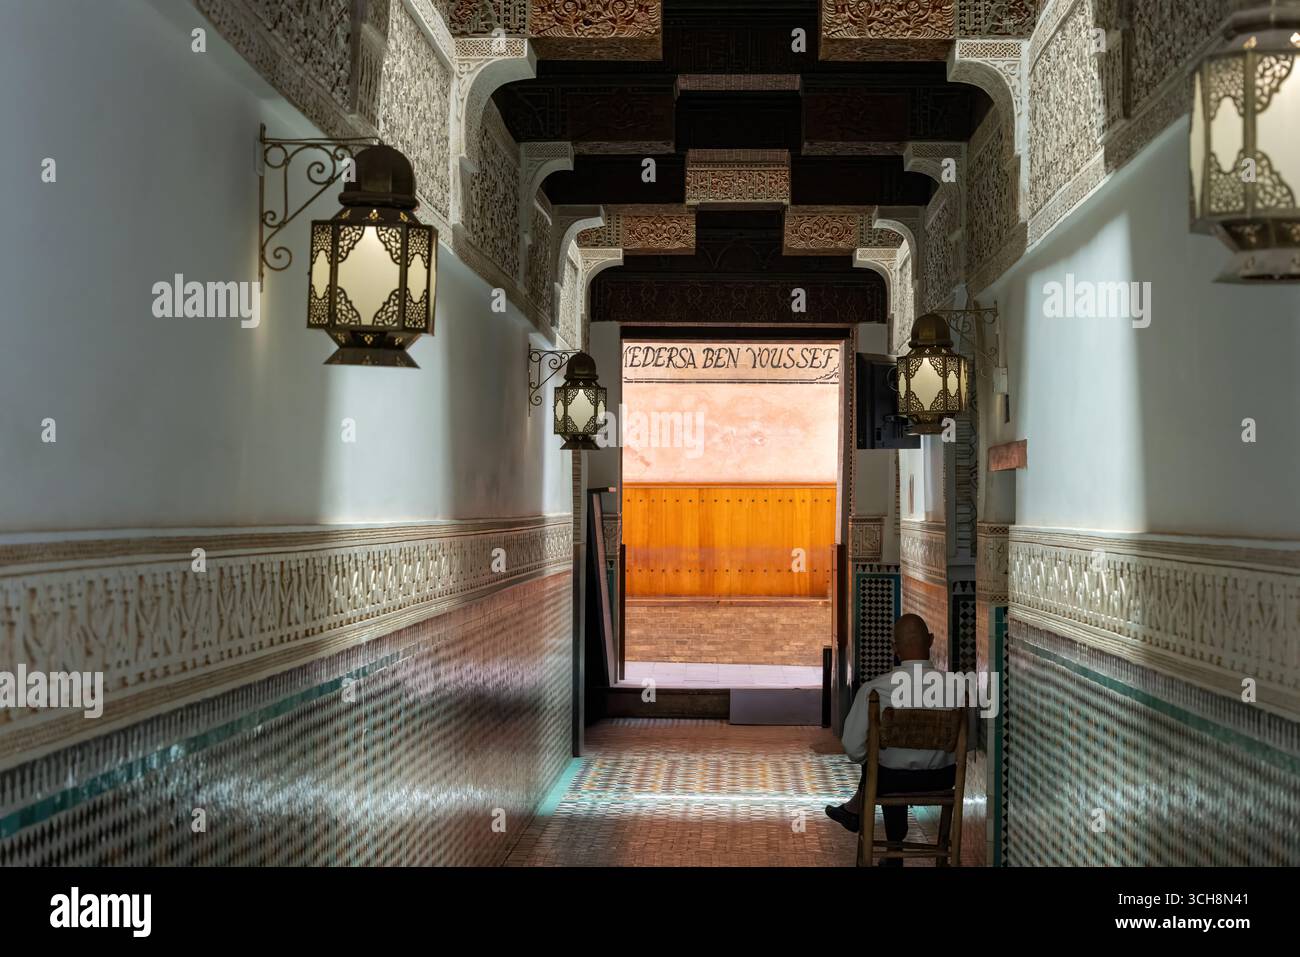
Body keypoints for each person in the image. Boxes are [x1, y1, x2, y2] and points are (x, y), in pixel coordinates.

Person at [825, 613, 957, 864]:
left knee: (877, 766)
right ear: (930, 641)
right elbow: (968, 744)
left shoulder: (875, 690)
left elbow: (853, 748)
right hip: (942, 778)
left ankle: (889, 843)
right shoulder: (957, 689)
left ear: (894, 649)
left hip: (891, 781)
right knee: (882, 767)